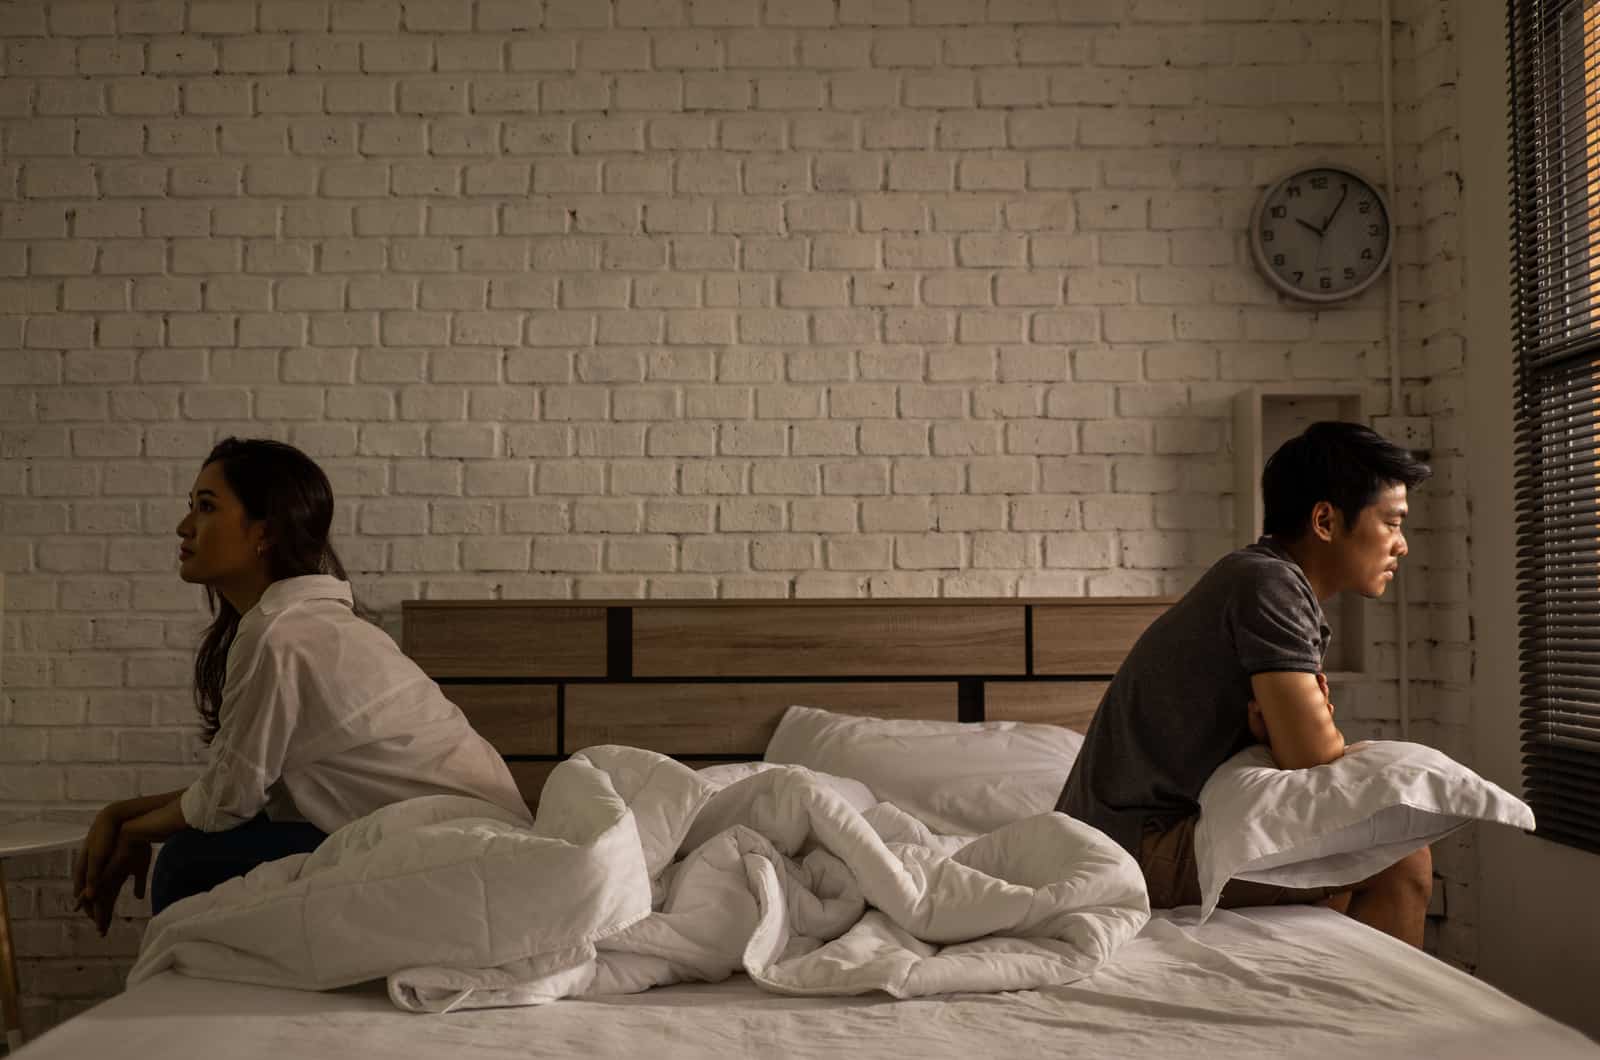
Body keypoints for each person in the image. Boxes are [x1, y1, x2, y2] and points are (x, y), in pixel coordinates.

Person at [73, 437, 532, 934]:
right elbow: (242, 781)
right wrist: (120, 815)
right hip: (457, 831)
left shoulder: (281, 634)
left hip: (456, 846)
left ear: (264, 531)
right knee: (205, 850)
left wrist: (132, 829)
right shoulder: (298, 623)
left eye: (206, 507)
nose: (184, 527)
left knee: (190, 862)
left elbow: (229, 799)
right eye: (191, 507)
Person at [1055, 421, 1435, 945]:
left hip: (1125, 832)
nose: (1402, 545)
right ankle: (1403, 1025)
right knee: (1398, 858)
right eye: (1392, 522)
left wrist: (1279, 733)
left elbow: (1299, 752)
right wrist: (1292, 734)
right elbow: (1312, 757)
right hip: (1125, 845)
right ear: (1325, 520)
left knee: (1345, 869)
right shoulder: (1269, 585)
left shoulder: (1262, 579)